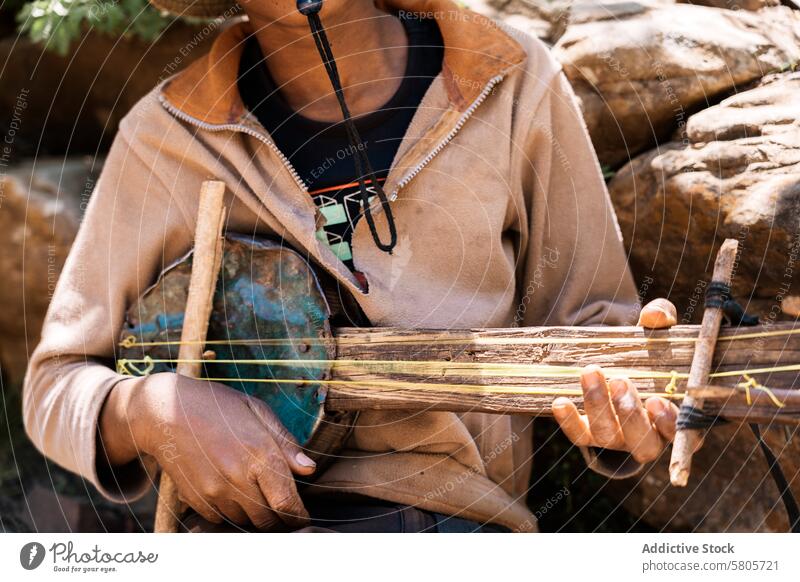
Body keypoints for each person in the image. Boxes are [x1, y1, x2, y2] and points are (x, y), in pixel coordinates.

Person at [23, 0, 680, 532]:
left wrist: (629, 417)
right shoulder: (167, 135)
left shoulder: (509, 83)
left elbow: (601, 329)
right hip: (238, 535)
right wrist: (153, 408)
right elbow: (54, 386)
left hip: (450, 525)